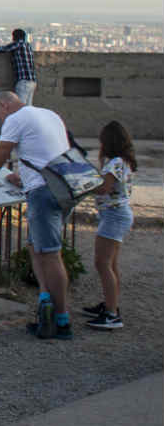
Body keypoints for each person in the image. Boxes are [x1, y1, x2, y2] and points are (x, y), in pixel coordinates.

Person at [0, 92, 73, 339]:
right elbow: (50, 153)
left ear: (5, 105)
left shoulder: (16, 118)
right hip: (63, 188)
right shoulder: (49, 114)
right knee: (35, 246)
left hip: (43, 192)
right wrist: (25, 177)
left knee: (51, 255)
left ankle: (62, 321)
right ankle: (46, 306)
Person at [84, 121, 136, 331]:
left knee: (102, 263)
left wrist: (83, 185)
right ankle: (110, 304)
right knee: (111, 264)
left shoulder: (115, 162)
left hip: (114, 215)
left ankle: (112, 315)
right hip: (117, 214)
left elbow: (104, 188)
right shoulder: (123, 161)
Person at [0, 29, 37, 106]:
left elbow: (3, 49)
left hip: (24, 81)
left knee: (20, 106)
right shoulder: (28, 45)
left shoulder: (19, 44)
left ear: (15, 37)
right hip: (32, 81)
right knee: (28, 107)